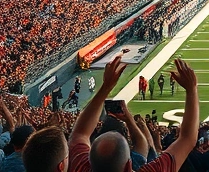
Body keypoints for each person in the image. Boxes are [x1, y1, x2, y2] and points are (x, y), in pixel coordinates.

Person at [68, 55, 199, 172]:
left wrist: (106, 87)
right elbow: (187, 139)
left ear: (90, 161)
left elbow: (80, 133)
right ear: (128, 165)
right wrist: (192, 89)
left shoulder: (81, 167)